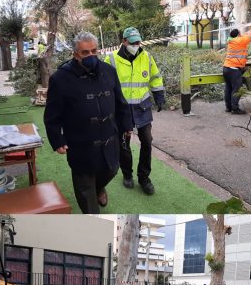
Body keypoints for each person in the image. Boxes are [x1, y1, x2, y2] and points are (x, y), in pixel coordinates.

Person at [44, 31, 133, 213]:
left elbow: (120, 101)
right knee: (85, 187)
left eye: (94, 51)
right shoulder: (60, 79)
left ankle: (99, 187)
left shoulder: (109, 71)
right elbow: (52, 114)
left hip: (109, 136)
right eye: (85, 53)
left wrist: (127, 124)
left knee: (112, 170)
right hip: (80, 142)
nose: (91, 56)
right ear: (75, 54)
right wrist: (57, 140)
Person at [104, 27, 165, 195]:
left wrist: (159, 95)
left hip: (142, 107)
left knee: (147, 141)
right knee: (124, 143)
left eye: (138, 42)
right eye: (132, 43)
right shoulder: (111, 59)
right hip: (121, 109)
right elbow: (104, 84)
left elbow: (155, 77)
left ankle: (144, 178)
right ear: (124, 41)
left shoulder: (146, 57)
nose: (136, 45)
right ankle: (127, 174)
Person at [223, 25, 251, 114]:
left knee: (228, 88)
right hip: (234, 70)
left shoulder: (232, 41)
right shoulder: (240, 41)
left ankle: (228, 107)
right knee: (237, 89)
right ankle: (235, 109)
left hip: (226, 68)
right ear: (238, 35)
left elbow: (246, 35)